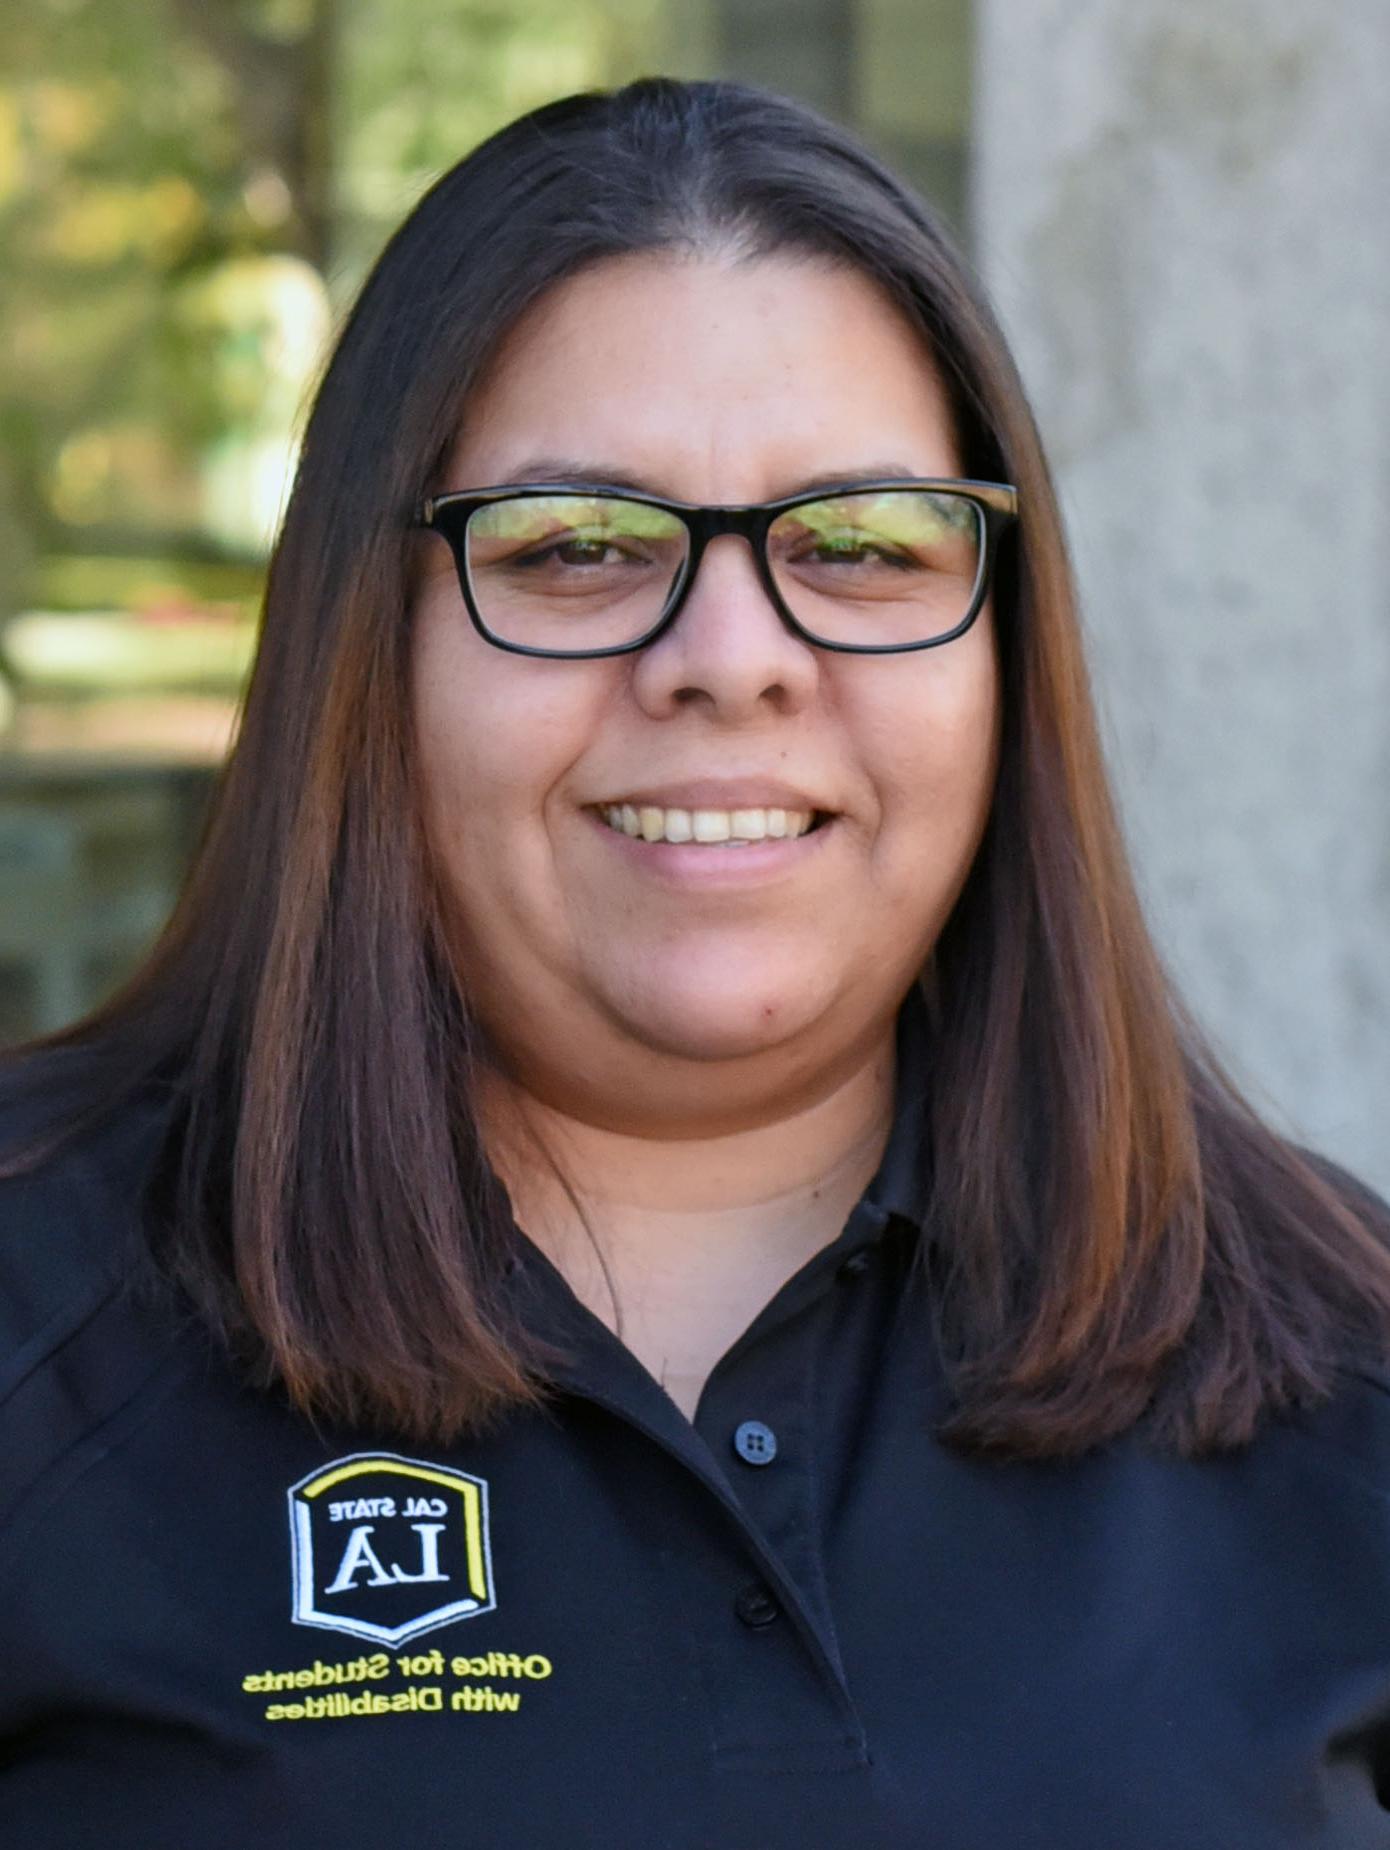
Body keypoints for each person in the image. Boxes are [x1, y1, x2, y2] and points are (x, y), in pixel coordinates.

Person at [2, 76, 1389, 1849]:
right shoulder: (34, 1329)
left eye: (859, 545)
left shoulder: (1331, 1365)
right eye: (578, 547)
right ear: (370, 643)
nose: (729, 657)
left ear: (1003, 650)